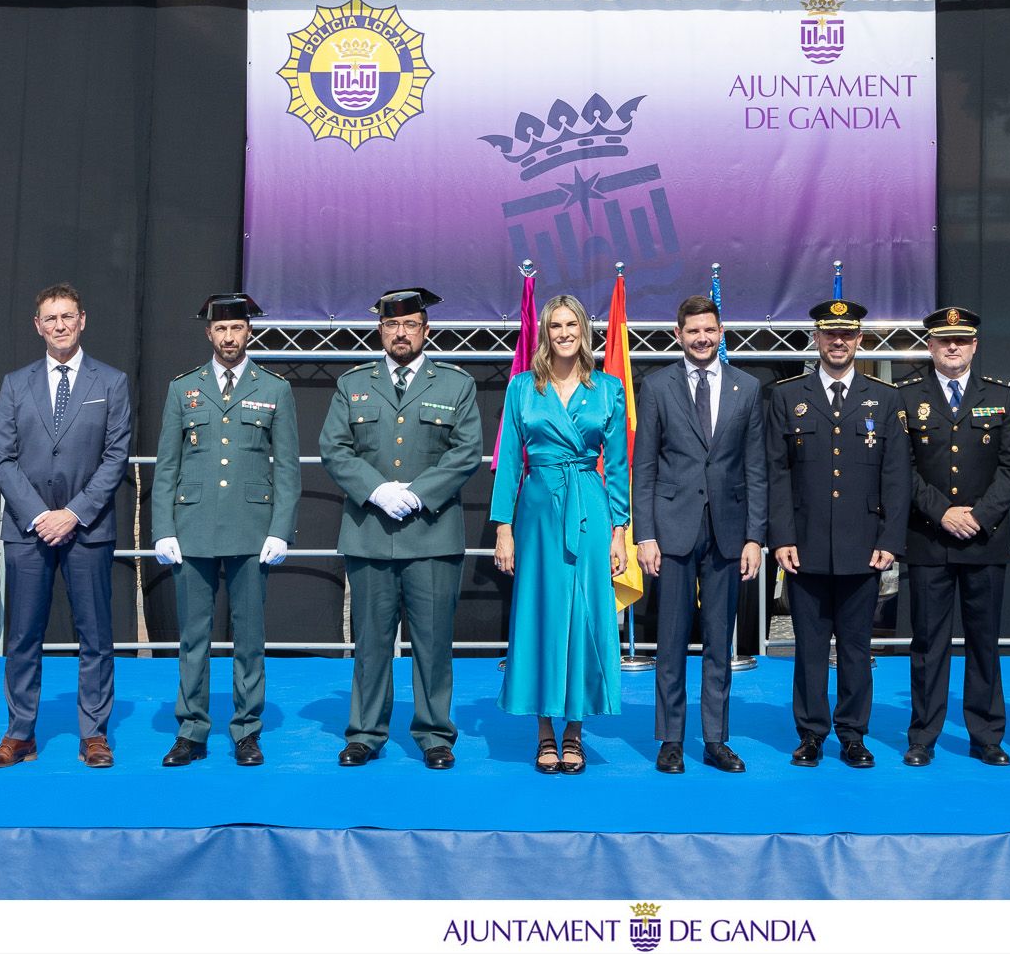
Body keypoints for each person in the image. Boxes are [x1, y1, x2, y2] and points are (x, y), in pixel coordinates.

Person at [319, 287, 482, 770]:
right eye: (392, 326)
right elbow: (335, 448)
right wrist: (376, 490)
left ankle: (435, 734)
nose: (401, 333)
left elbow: (466, 451)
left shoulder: (455, 384)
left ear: (425, 330)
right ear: (381, 331)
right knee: (370, 642)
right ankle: (365, 733)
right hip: (370, 531)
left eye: (410, 325)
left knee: (433, 644)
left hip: (431, 534)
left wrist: (417, 493)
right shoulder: (353, 384)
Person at [0, 284, 132, 769]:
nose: (60, 325)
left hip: (88, 528)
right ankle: (19, 733)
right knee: (23, 636)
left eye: (68, 316)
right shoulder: (13, 383)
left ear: (82, 319)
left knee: (96, 636)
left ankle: (93, 734)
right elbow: (2, 459)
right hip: (28, 530)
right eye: (51, 318)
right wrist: (39, 515)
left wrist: (73, 513)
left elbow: (116, 457)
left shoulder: (111, 382)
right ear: (38, 325)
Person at [150, 293, 300, 767]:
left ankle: (246, 730)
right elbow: (166, 465)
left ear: (248, 331)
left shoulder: (274, 388)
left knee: (249, 638)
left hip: (251, 529)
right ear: (208, 334)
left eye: (237, 328)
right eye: (221, 329)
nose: (229, 337)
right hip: (192, 526)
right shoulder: (183, 389)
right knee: (193, 637)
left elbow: (288, 469)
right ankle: (191, 730)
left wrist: (281, 529)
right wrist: (162, 528)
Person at [765, 299, 910, 768]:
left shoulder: (884, 399)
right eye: (830, 334)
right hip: (803, 546)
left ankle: (852, 734)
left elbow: (896, 476)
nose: (839, 342)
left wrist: (889, 541)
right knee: (807, 649)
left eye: (847, 334)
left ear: (860, 340)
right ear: (817, 339)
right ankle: (810, 734)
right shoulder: (787, 396)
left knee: (855, 648)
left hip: (862, 546)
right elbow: (777, 473)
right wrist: (781, 536)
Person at [490, 294, 630, 775]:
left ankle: (575, 732)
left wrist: (619, 531)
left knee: (585, 616)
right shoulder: (522, 389)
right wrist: (503, 528)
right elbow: (509, 459)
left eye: (572, 325)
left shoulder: (608, 388)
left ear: (584, 332)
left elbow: (617, 466)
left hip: (589, 510)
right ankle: (544, 732)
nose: (565, 333)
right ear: (545, 332)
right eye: (556, 325)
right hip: (538, 511)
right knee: (541, 615)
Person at [633, 295, 768, 774]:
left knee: (719, 643)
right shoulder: (656, 386)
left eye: (709, 330)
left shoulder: (747, 388)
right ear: (679, 335)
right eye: (693, 331)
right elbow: (644, 465)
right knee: (669, 642)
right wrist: (643, 534)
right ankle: (671, 739)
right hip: (671, 531)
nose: (702, 338)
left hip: (728, 533)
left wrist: (755, 537)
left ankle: (715, 740)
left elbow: (756, 468)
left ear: (720, 331)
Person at [896, 306, 1010, 767]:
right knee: (928, 644)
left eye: (962, 340)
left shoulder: (1002, 397)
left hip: (983, 539)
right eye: (944, 340)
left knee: (984, 641)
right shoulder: (906, 397)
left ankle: (986, 734)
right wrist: (942, 512)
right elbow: (901, 469)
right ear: (929, 345)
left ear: (975, 345)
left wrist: (979, 516)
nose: (953, 347)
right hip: (929, 538)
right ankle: (923, 735)